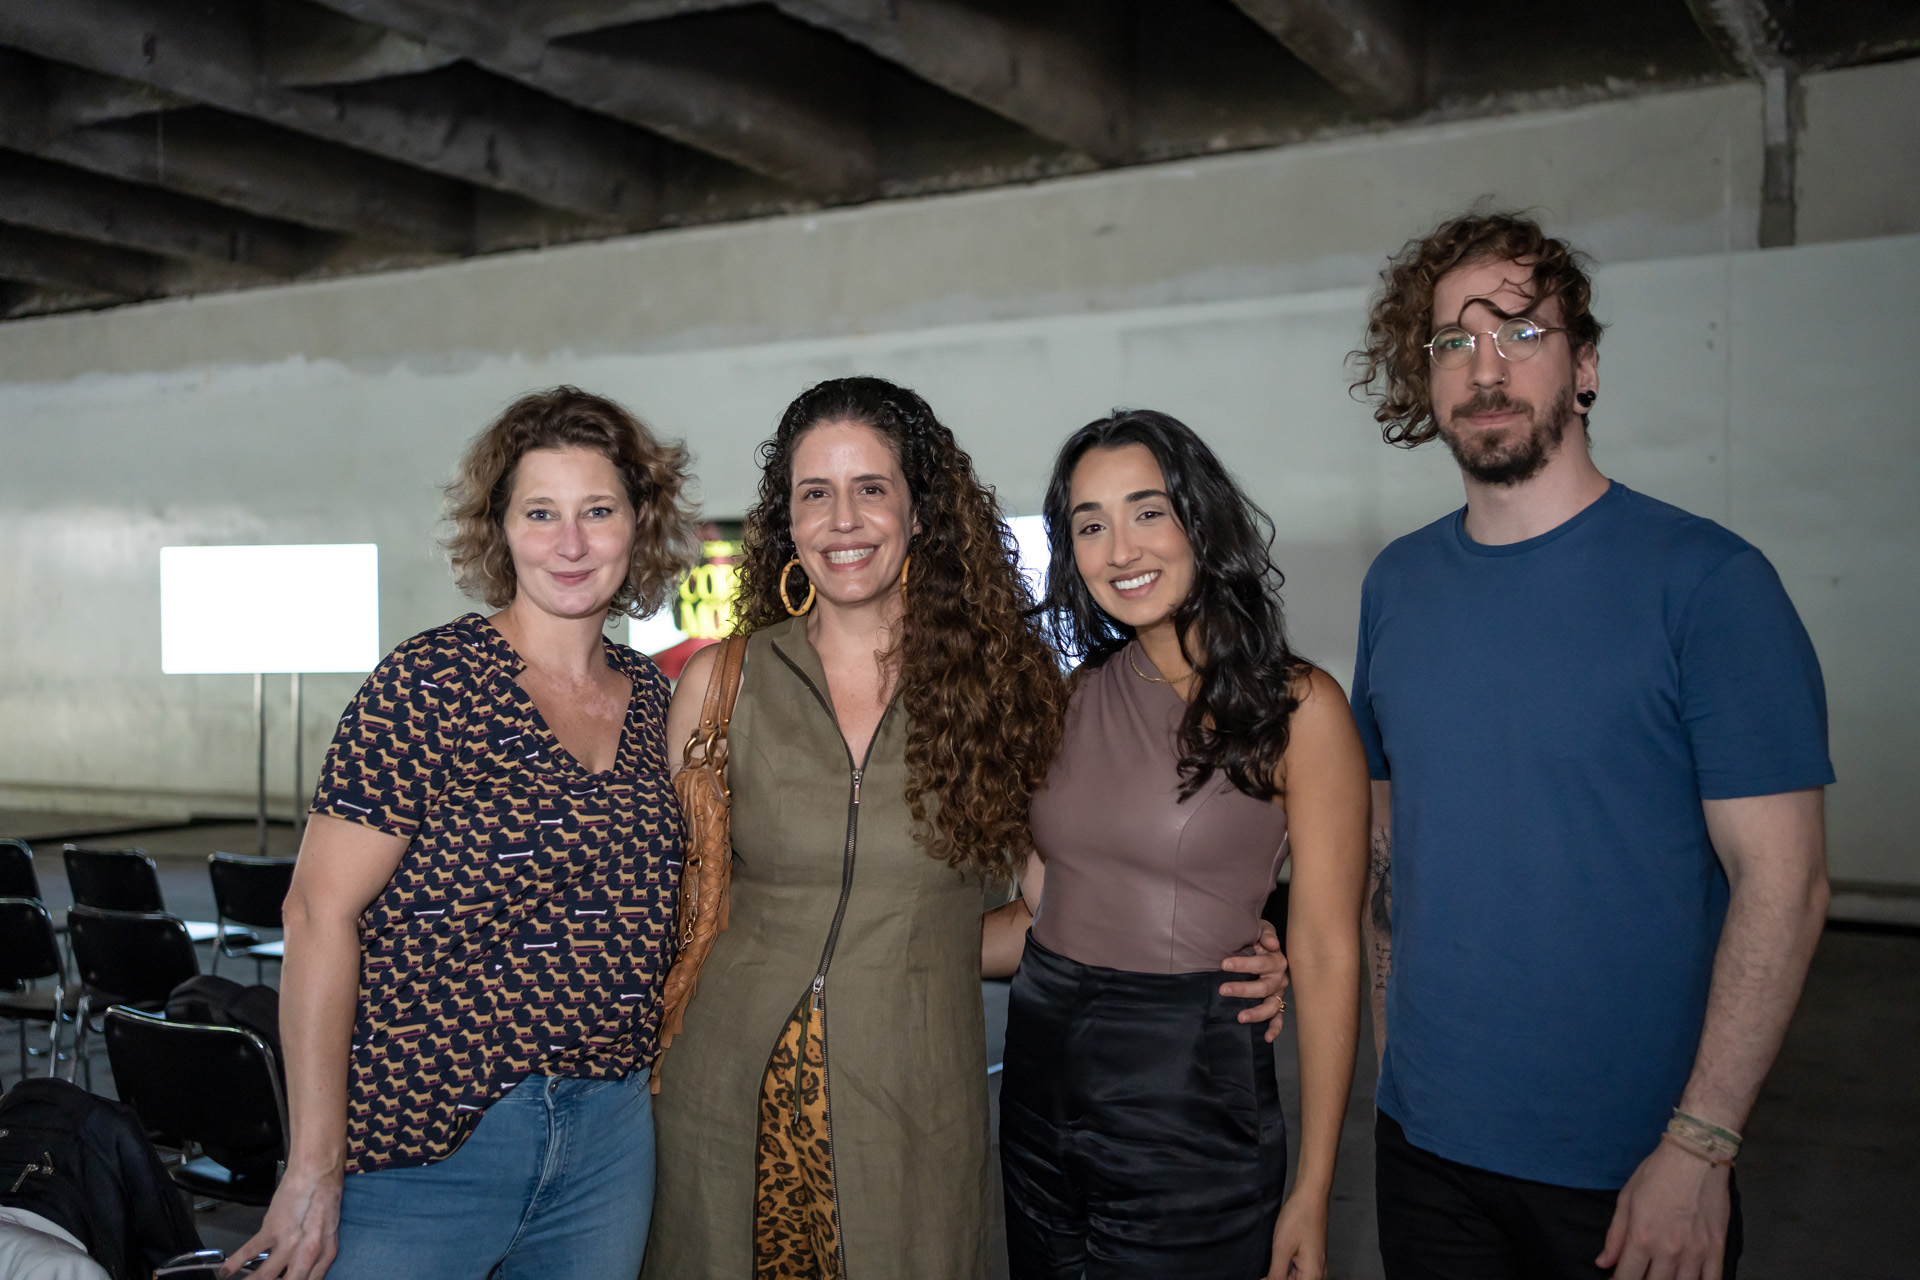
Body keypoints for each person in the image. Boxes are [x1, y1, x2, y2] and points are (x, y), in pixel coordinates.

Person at [644, 378, 1290, 1280]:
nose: (843, 520)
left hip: (914, 1106)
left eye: (872, 488)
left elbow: (1057, 909)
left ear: (919, 512)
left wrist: (1227, 941)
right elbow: (663, 907)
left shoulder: (999, 694)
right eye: (814, 494)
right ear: (784, 521)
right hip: (723, 1108)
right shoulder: (720, 684)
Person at [1347, 211, 1833, 1280]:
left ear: (1587, 367)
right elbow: (1387, 842)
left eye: (1520, 332)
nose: (1484, 368)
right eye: (1451, 343)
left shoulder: (1710, 584)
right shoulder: (1398, 586)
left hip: (1633, 1166)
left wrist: (1701, 1144)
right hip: (1424, 1153)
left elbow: (1784, 882)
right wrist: (1397, 1069)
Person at [232, 387, 699, 1280]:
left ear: (639, 526)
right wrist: (313, 1166)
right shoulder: (430, 683)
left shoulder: (658, 705)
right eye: (540, 513)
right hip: (426, 1146)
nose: (570, 543)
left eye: (598, 511)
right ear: (501, 529)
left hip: (609, 1144)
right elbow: (316, 915)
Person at [992, 410, 1368, 1280]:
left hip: (1187, 1103)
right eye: (1090, 525)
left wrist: (1312, 1193)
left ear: (1201, 519)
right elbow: (1043, 908)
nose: (1120, 548)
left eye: (1147, 511)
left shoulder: (1301, 709)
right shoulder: (1072, 698)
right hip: (1037, 1085)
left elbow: (1324, 951)